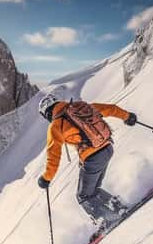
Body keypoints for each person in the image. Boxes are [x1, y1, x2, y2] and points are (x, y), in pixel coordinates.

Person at [36, 93, 137, 230]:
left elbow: (53, 156)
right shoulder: (81, 107)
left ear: (46, 113)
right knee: (93, 190)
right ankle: (118, 208)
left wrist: (46, 178)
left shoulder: (56, 126)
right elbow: (110, 109)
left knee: (83, 196)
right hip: (107, 148)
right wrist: (127, 116)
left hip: (93, 157)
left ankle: (107, 219)